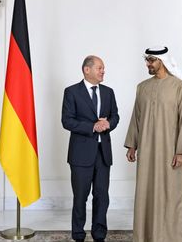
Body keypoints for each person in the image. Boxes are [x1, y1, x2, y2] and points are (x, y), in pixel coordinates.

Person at [124, 46, 182, 242]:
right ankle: (145, 236)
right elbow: (136, 117)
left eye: (151, 61)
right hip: (147, 150)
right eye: (147, 60)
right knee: (146, 193)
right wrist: (132, 145)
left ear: (162, 61)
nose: (148, 64)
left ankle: (172, 236)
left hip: (170, 152)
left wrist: (181, 152)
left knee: (171, 194)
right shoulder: (142, 87)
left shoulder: (180, 87)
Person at [62, 55, 119, 242]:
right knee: (80, 198)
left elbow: (115, 117)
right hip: (81, 155)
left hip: (103, 155)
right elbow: (67, 121)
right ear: (87, 70)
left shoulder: (109, 92)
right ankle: (78, 235)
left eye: (103, 68)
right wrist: (92, 127)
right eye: (100, 68)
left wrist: (108, 123)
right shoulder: (71, 92)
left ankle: (99, 234)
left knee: (102, 197)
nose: (103, 71)